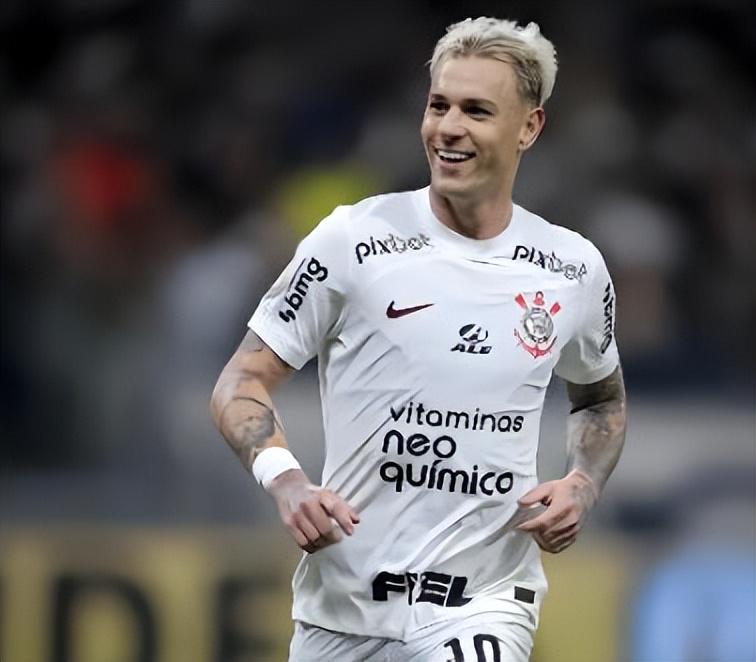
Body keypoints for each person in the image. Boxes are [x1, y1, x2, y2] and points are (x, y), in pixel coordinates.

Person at [211, 16, 627, 661]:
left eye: (476, 111)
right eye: (439, 106)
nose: (449, 127)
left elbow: (600, 399)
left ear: (529, 127)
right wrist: (286, 480)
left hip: (484, 602)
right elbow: (242, 381)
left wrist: (582, 483)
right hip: (341, 611)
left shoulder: (572, 269)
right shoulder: (352, 240)